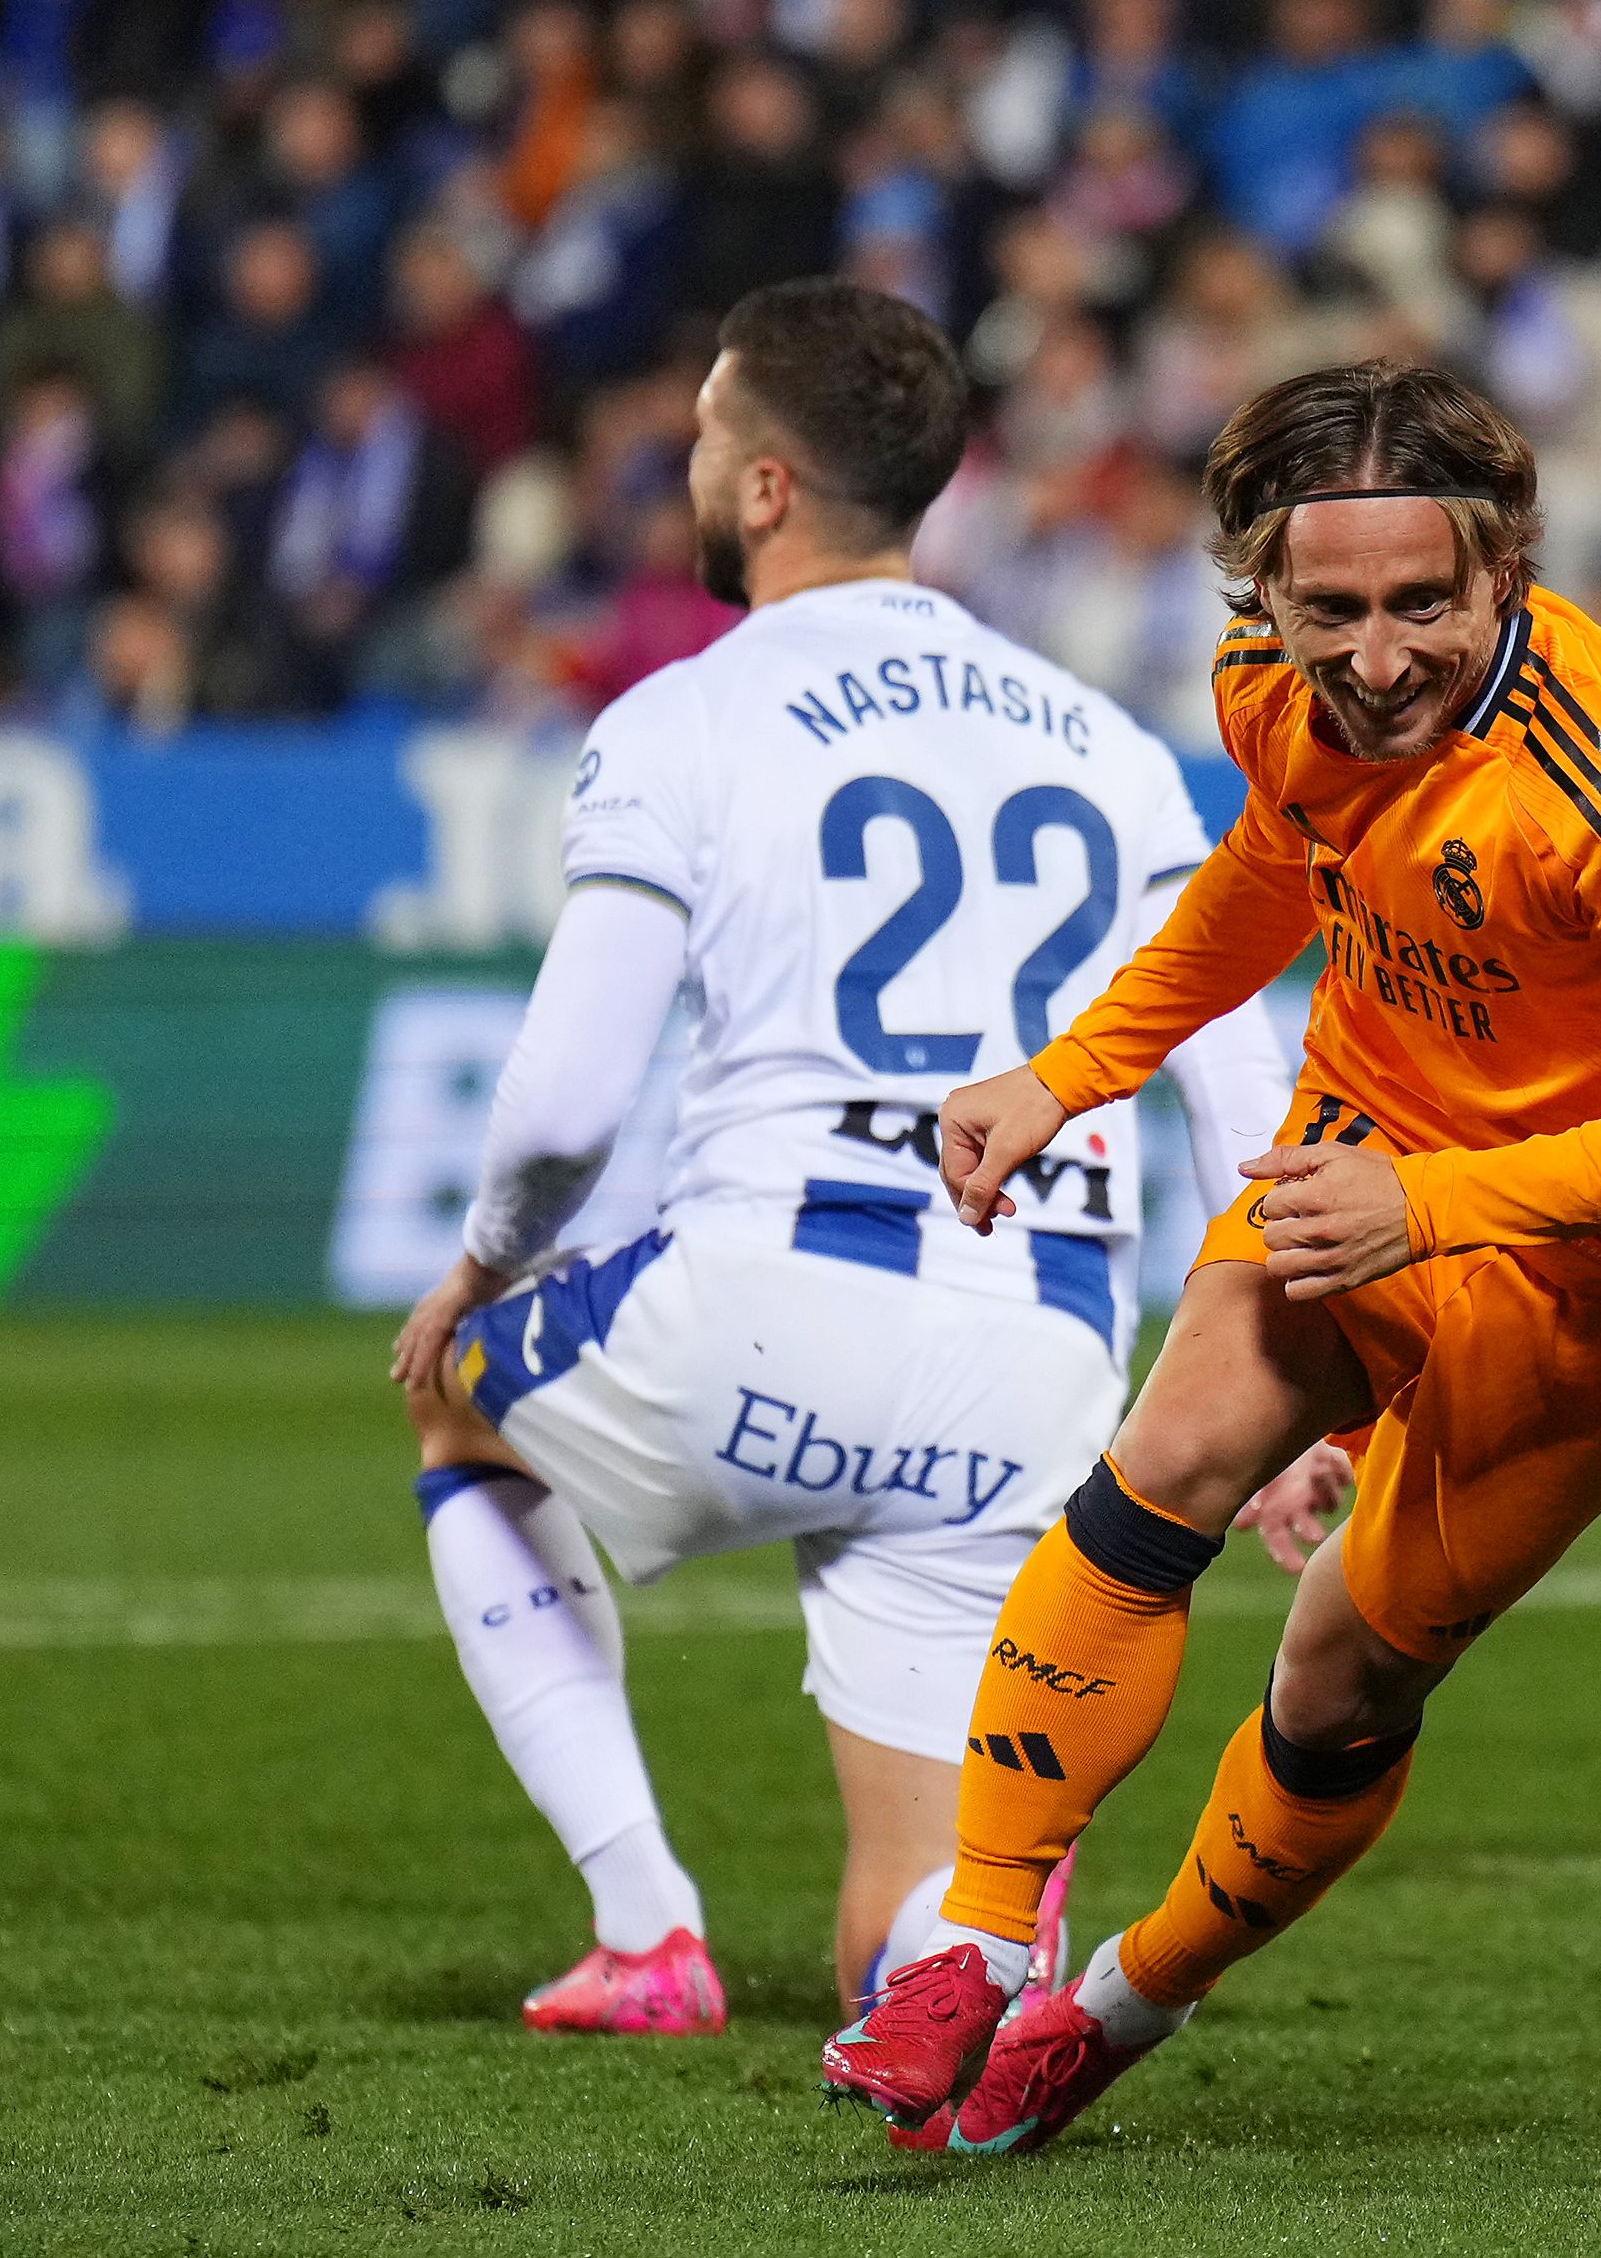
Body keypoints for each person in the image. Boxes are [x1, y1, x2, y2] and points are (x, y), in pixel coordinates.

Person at [817, 362, 1601, 2154]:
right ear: (1258, 589)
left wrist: (1431, 1208)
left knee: (1341, 1674)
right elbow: (1270, 871)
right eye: (1327, 608)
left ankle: (1115, 2001)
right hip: (1368, 1136)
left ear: (1504, 565)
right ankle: (966, 1939)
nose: (1372, 659)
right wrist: (1068, 1071)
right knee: (1162, 1468)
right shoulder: (1272, 690)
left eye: (1422, 603)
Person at [382, 281, 1303, 2042]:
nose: (693, 460)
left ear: (767, 485)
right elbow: (1239, 1091)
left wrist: (485, 1269)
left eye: (710, 432)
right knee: (906, 1924)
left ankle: (645, 1928)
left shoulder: (684, 720)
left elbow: (568, 1101)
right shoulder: (1107, 748)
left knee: (459, 1404)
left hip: (762, 1295)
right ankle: (970, 1963)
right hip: (1035, 1356)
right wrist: (1269, 1403)